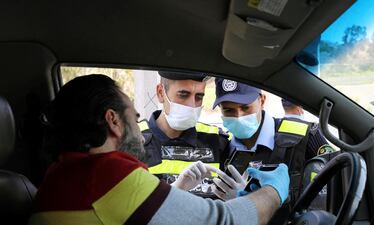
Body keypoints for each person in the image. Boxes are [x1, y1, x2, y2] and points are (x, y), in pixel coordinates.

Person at [29, 74, 290, 225]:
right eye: (134, 117)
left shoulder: (61, 173)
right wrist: (273, 191)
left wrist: (175, 193)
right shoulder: (105, 174)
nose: (141, 137)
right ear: (114, 121)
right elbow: (226, 221)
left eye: (199, 97)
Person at [211, 79, 329, 206]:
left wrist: (250, 201)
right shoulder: (220, 148)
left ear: (262, 101)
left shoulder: (306, 135)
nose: (239, 116)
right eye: (229, 110)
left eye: (245, 107)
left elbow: (337, 186)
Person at [139, 71, 231, 198]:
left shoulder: (217, 140)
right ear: (161, 93)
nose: (192, 105)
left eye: (199, 97)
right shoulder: (132, 141)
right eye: (183, 95)